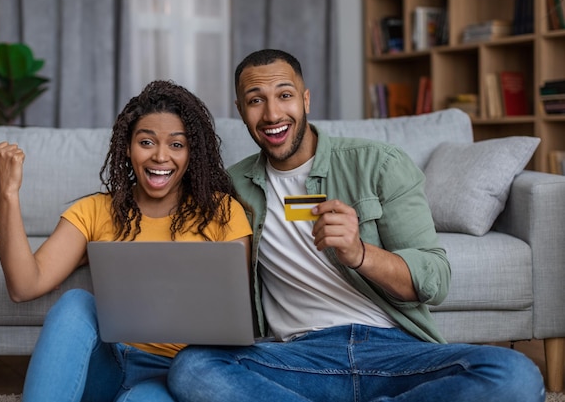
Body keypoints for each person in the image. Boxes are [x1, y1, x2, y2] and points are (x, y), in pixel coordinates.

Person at [167, 49, 546, 402]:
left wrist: (359, 253)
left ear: (306, 100)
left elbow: (435, 279)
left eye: (285, 95)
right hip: (298, 359)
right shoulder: (230, 188)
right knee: (194, 367)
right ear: (240, 110)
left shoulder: (378, 165)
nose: (271, 114)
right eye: (255, 100)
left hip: (393, 350)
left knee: (513, 374)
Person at [0, 80, 252, 402]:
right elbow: (24, 285)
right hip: (107, 364)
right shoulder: (95, 210)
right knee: (75, 302)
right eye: (146, 142)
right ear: (128, 148)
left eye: (176, 145)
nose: (160, 156)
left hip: (173, 373)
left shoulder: (222, 212)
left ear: (192, 153)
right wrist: (8, 193)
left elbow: (235, 318)